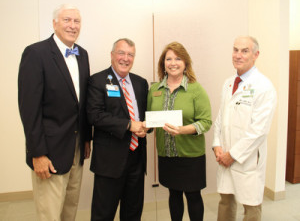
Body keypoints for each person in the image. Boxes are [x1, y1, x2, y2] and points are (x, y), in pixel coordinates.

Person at [18, 4, 92, 221]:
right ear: (54, 23)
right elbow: (29, 109)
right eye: (67, 20)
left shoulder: (82, 55)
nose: (72, 25)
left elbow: (82, 103)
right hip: (48, 152)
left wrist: (87, 138)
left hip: (77, 150)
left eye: (76, 21)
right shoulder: (36, 53)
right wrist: (37, 154)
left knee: (70, 211)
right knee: (49, 214)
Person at [212, 36, 277, 221]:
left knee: (251, 208)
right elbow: (220, 119)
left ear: (256, 55)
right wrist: (217, 145)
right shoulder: (228, 83)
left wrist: (232, 155)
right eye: (235, 50)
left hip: (247, 160)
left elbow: (259, 131)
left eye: (244, 51)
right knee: (225, 202)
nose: (238, 55)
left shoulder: (264, 86)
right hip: (224, 156)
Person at [146, 42, 212, 221]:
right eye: (168, 59)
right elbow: (150, 121)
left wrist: (183, 130)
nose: (173, 63)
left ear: (185, 63)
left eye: (178, 58)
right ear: (163, 63)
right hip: (167, 154)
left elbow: (206, 122)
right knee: (173, 195)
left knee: (193, 196)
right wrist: (145, 126)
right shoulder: (154, 90)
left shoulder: (195, 89)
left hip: (191, 155)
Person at [86, 38, 148, 221]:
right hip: (109, 162)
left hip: (136, 160)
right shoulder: (97, 80)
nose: (125, 58)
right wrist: (129, 125)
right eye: (121, 53)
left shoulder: (140, 83)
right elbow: (94, 115)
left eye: (130, 54)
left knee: (133, 212)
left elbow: (144, 116)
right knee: (103, 214)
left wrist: (146, 128)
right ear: (112, 55)